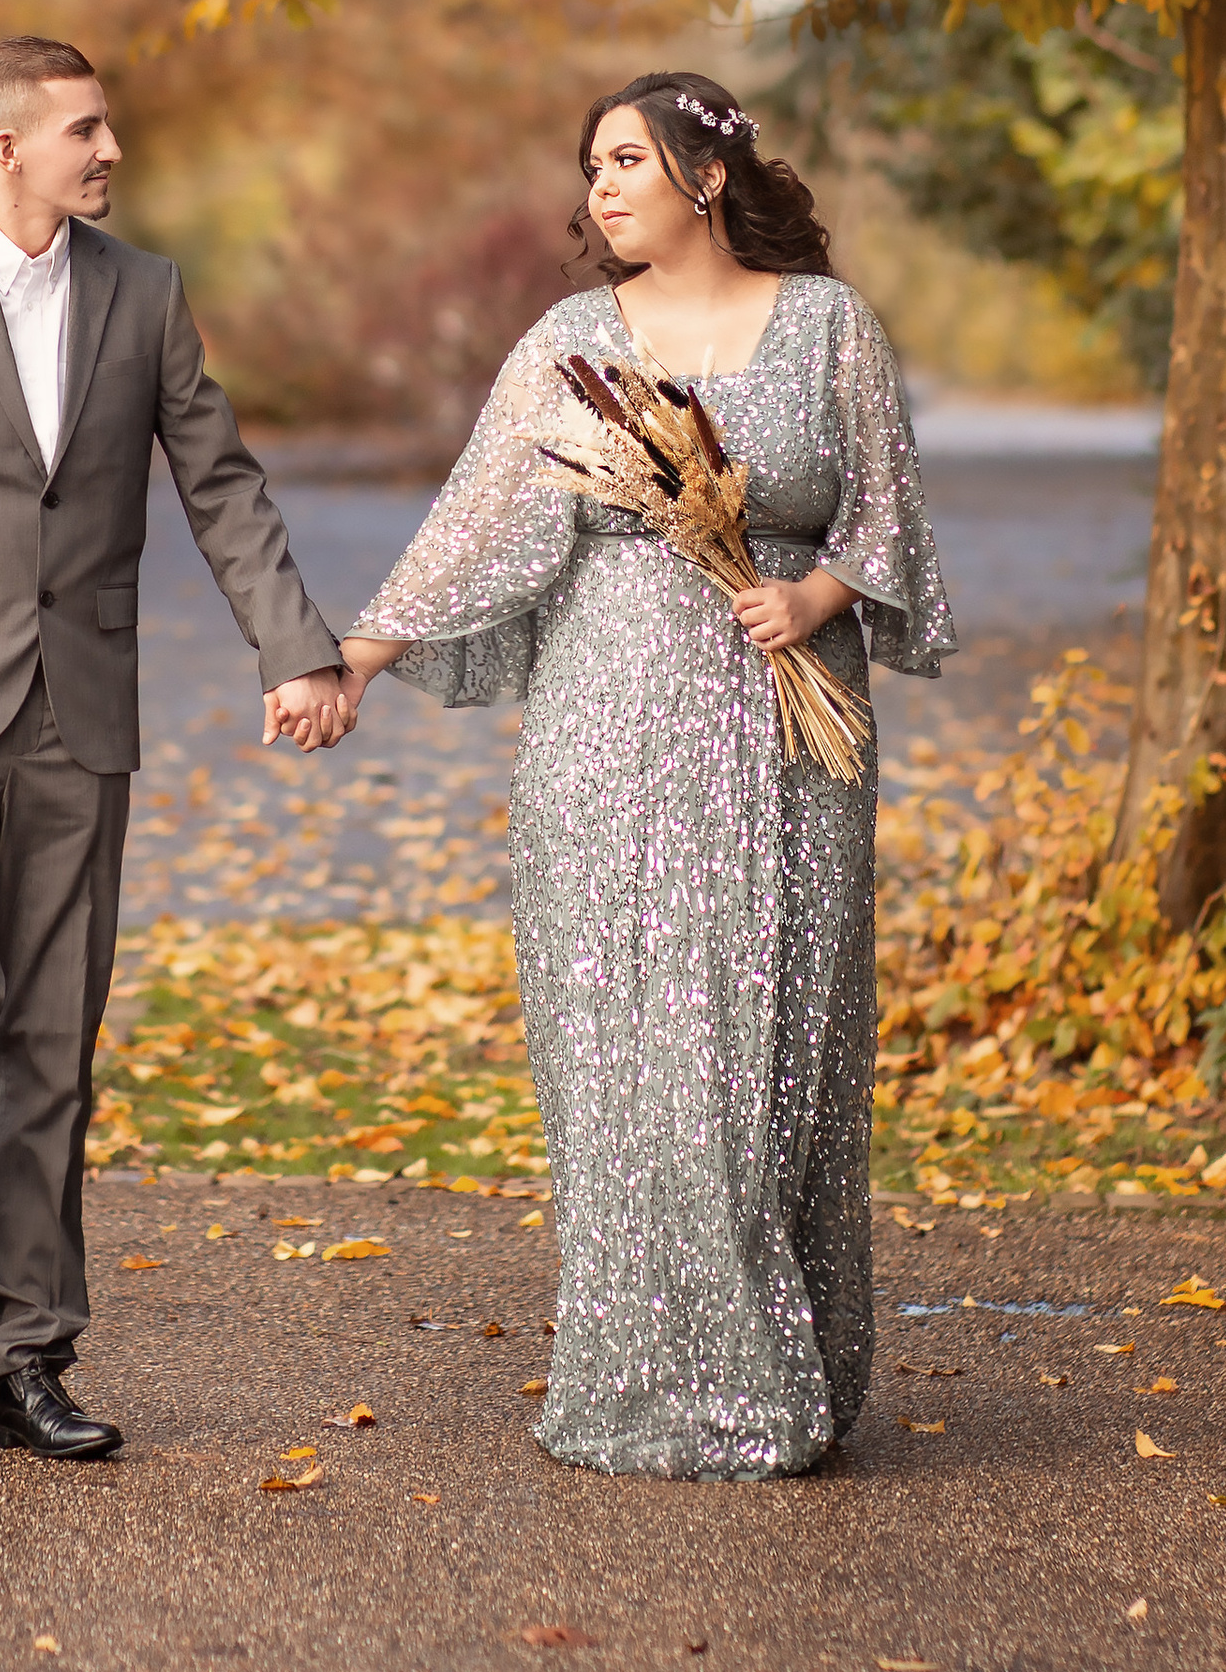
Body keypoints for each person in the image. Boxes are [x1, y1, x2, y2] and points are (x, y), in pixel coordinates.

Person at [333, 72, 952, 1478]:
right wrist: (356, 657)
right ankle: (643, 1371)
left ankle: (772, 1373)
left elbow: (891, 513)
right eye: (592, 165)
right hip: (604, 735)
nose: (600, 188)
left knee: (769, 1052)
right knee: (624, 1053)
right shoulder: (564, 340)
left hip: (792, 742)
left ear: (707, 174)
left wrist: (817, 598)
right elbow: (474, 521)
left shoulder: (830, 328)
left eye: (628, 159)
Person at [0, 35, 349, 1465]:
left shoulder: (145, 294)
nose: (111, 152)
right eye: (87, 131)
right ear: (8, 148)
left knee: (54, 1038)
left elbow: (220, 481)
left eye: (107, 130)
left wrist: (294, 642)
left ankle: (29, 1352)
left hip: (80, 717)